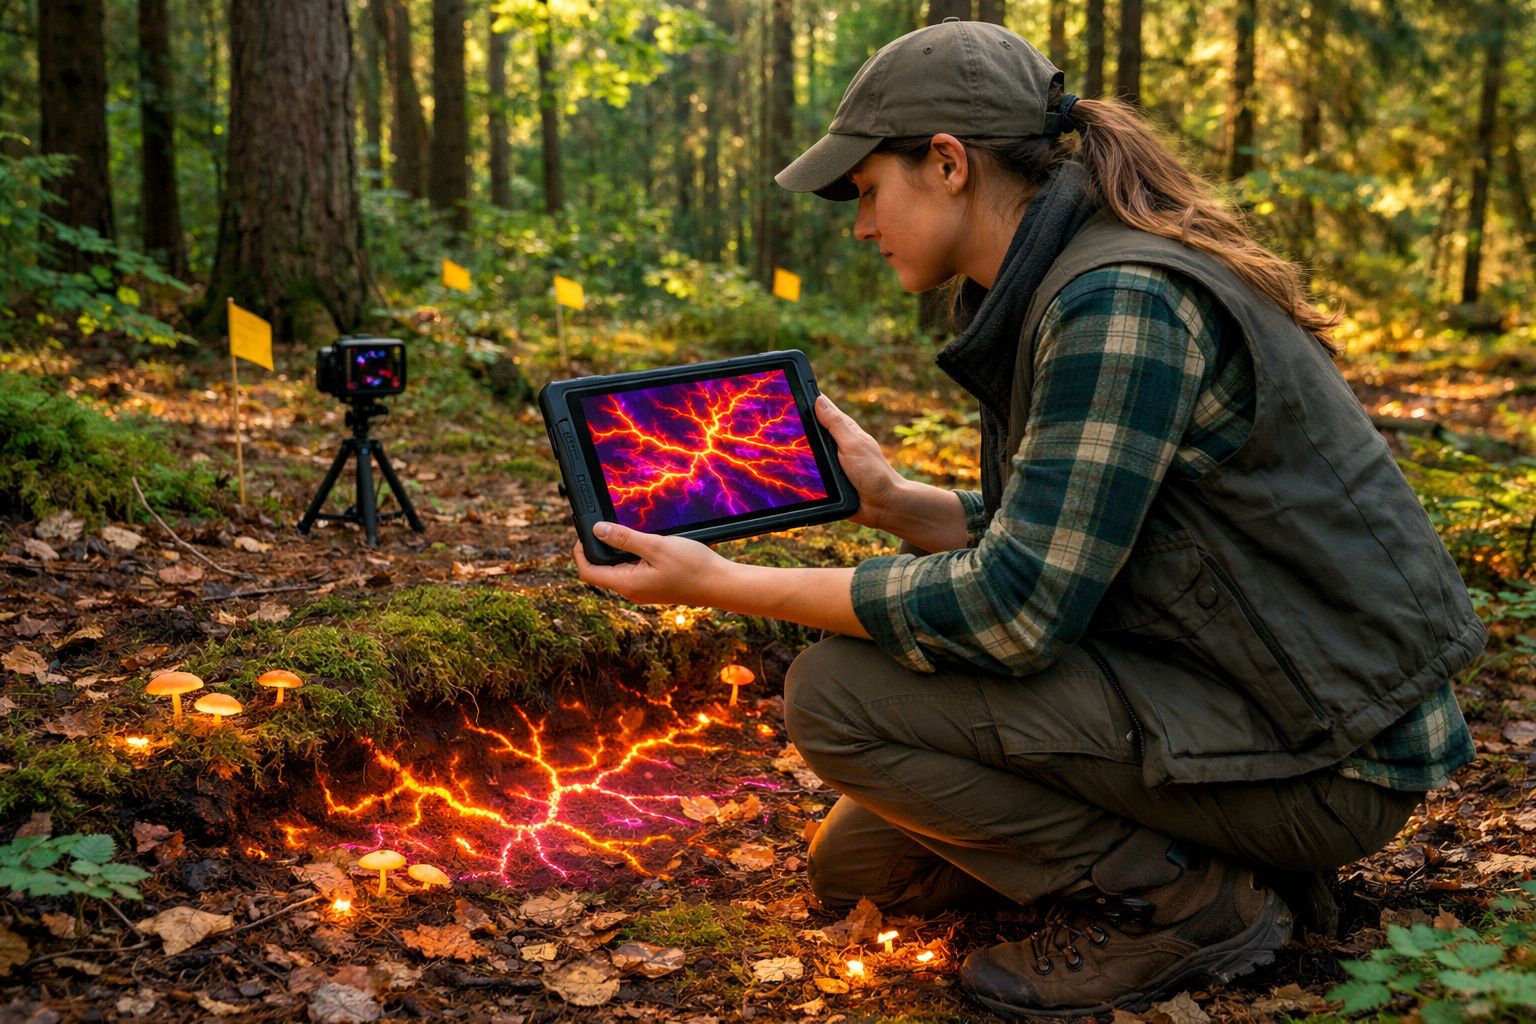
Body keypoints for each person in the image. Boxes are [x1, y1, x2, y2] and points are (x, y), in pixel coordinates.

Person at [576, 18, 1485, 1019]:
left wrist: (722, 584)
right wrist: (902, 505)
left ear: (949, 163)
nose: (862, 224)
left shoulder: (1117, 300)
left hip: (1329, 753)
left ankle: (1190, 901)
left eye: (869, 190)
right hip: (1243, 694)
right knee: (859, 868)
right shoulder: (1064, 279)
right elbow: (1089, 534)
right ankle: (1228, 859)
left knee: (836, 697)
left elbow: (1017, 610)